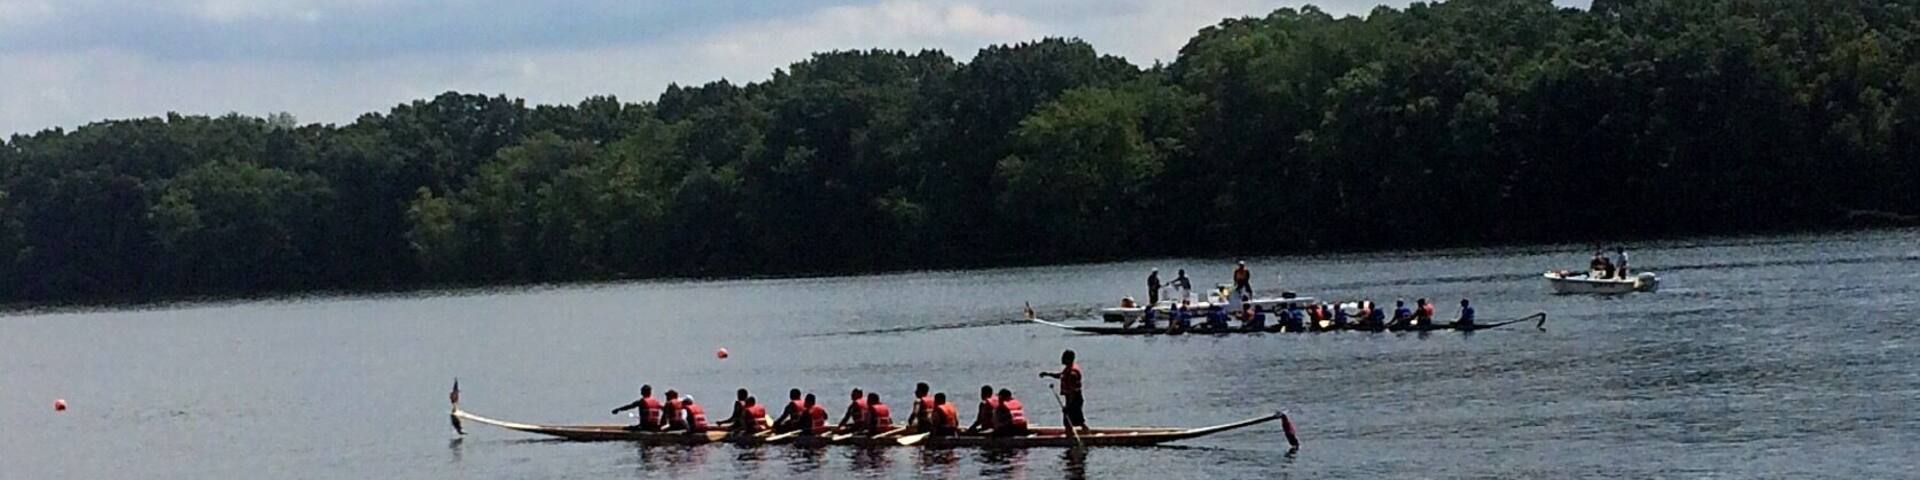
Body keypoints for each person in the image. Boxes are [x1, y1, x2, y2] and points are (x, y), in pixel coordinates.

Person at [1038, 350, 1086, 431]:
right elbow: (1061, 376)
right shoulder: (1068, 369)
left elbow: (1072, 390)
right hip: (1072, 399)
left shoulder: (1072, 373)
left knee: (1071, 420)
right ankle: (1074, 434)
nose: (1062, 359)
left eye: (1064, 358)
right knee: (1074, 420)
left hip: (1074, 399)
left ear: (1068, 359)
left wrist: (1069, 405)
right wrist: (1048, 374)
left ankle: (1074, 436)